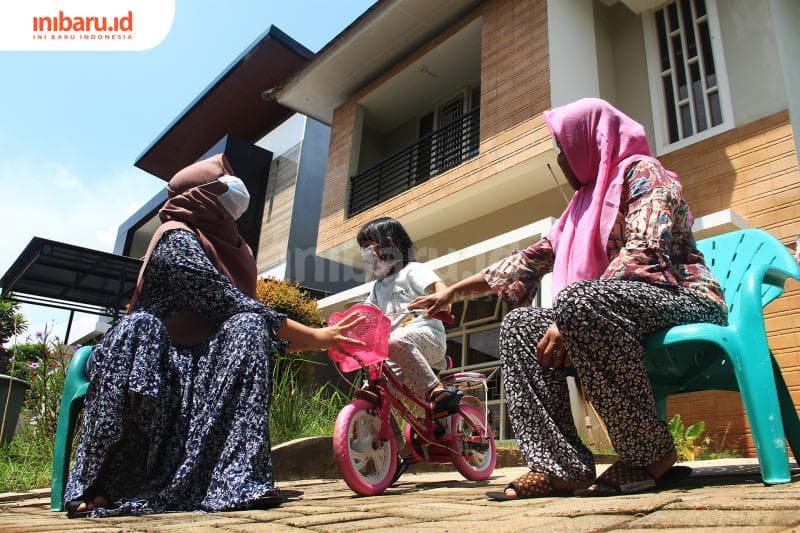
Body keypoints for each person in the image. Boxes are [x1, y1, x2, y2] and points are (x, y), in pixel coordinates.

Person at [409, 98, 728, 499]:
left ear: (590, 141)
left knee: (577, 302)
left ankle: (650, 453)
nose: (560, 160)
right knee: (520, 326)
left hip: (683, 301)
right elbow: (526, 262)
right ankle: (560, 466)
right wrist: (454, 291)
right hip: (611, 312)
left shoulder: (645, 173)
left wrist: (570, 314)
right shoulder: (580, 208)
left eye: (564, 148)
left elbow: (644, 248)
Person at [64, 154, 364, 517]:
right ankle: (101, 480)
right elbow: (223, 300)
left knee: (248, 326)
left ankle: (234, 480)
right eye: (222, 186)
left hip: (199, 361)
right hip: (152, 355)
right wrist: (319, 336)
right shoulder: (175, 237)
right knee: (144, 328)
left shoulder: (237, 250)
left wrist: (309, 338)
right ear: (199, 197)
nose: (236, 193)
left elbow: (245, 316)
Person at [357, 217, 461, 418]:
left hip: (428, 339)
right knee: (380, 390)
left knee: (393, 341)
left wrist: (441, 302)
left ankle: (434, 389)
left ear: (389, 243)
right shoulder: (378, 287)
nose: (366, 254)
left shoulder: (413, 271)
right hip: (394, 350)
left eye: (368, 246)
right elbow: (365, 313)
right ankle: (388, 432)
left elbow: (442, 292)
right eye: (363, 249)